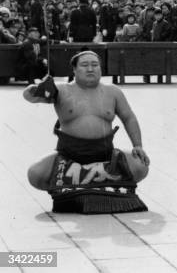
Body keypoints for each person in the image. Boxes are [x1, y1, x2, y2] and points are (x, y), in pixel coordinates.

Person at [24, 51, 150, 192]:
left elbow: (129, 117)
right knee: (35, 174)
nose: (90, 69)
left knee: (140, 166)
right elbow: (31, 97)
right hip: (68, 155)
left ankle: (85, 181)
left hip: (105, 153)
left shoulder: (113, 92)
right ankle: (89, 182)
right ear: (74, 70)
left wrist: (137, 145)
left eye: (95, 65)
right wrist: (35, 89)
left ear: (100, 69)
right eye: (84, 65)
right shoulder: (60, 89)